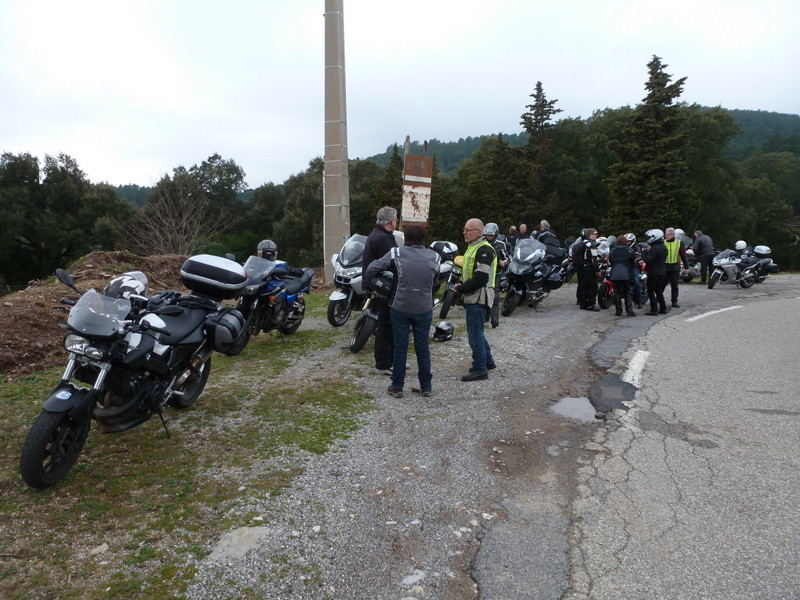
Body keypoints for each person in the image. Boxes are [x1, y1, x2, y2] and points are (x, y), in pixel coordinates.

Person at [364, 224, 440, 399]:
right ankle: (426, 386)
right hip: (423, 307)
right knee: (422, 348)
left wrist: (374, 284)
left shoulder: (396, 253)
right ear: (424, 238)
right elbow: (435, 280)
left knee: (400, 347)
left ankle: (397, 386)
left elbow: (371, 268)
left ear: (406, 238)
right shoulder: (434, 257)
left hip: (400, 306)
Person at [454, 218, 497, 381]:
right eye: (464, 229)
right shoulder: (474, 247)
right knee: (477, 331)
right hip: (474, 296)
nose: (464, 232)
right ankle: (488, 362)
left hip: (479, 296)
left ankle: (480, 369)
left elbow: (480, 278)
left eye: (468, 230)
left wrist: (461, 288)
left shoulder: (484, 249)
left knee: (474, 334)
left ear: (479, 232)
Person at [362, 206, 399, 375]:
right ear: (391, 221)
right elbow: (392, 262)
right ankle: (385, 363)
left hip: (378, 285)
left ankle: (389, 360)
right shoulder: (383, 238)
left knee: (387, 324)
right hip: (382, 287)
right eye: (396, 218)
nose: (397, 221)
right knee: (386, 325)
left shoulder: (377, 234)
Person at [483, 222, 508, 328]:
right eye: (487, 235)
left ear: (495, 235)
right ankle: (484, 318)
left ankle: (495, 321)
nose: (489, 237)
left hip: (496, 274)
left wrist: (504, 263)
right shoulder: (482, 244)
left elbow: (507, 258)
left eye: (491, 235)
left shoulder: (501, 245)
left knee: (495, 296)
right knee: (483, 295)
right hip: (483, 273)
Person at [608, 233, 637, 317]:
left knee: (617, 292)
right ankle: (629, 311)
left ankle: (618, 311)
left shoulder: (613, 250)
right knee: (627, 292)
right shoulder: (629, 250)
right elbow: (632, 261)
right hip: (626, 273)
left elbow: (611, 260)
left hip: (615, 273)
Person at [573, 228, 601, 311]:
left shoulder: (581, 243)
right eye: (595, 234)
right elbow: (594, 259)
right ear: (589, 235)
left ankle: (583, 304)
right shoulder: (591, 245)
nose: (596, 235)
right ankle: (590, 305)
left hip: (581, 268)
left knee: (583, 286)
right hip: (589, 268)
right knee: (592, 286)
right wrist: (598, 270)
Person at [642, 229, 668, 315]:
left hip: (654, 272)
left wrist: (644, 253)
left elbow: (648, 260)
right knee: (658, 290)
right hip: (662, 271)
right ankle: (663, 308)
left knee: (650, 291)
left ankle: (654, 310)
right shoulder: (664, 247)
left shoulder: (655, 248)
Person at [663, 227, 689, 308]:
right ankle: (658, 299)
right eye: (665, 234)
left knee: (674, 285)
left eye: (667, 234)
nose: (666, 236)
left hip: (675, 267)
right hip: (665, 267)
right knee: (662, 284)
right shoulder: (663, 242)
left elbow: (683, 255)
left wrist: (686, 267)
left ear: (672, 235)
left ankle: (674, 301)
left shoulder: (679, 243)